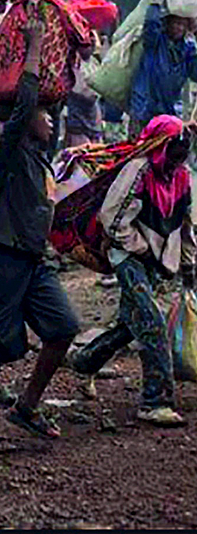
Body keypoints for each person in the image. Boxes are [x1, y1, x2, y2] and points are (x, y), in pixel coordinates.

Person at [0, 0, 80, 451]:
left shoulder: (37, 155)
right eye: (42, 113)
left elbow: (53, 98)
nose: (50, 118)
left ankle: (26, 407)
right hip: (2, 256)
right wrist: (34, 45)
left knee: (63, 328)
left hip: (33, 258)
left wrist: (67, 51)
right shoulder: (8, 152)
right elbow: (28, 96)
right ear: (19, 118)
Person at [69, 116, 196, 426]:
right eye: (174, 152)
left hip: (156, 258)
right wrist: (139, 247)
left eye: (183, 154)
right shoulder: (138, 171)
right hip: (128, 255)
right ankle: (155, 400)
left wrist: (188, 265)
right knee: (152, 322)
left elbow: (186, 226)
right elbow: (111, 218)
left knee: (131, 324)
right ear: (160, 147)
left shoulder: (182, 177)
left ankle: (84, 362)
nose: (178, 160)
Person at [129, 0, 197, 140]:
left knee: (166, 157)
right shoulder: (156, 43)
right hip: (144, 110)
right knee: (142, 153)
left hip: (169, 113)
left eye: (182, 24)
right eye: (175, 23)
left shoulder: (187, 50)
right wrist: (155, 3)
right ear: (167, 24)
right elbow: (151, 25)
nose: (179, 28)